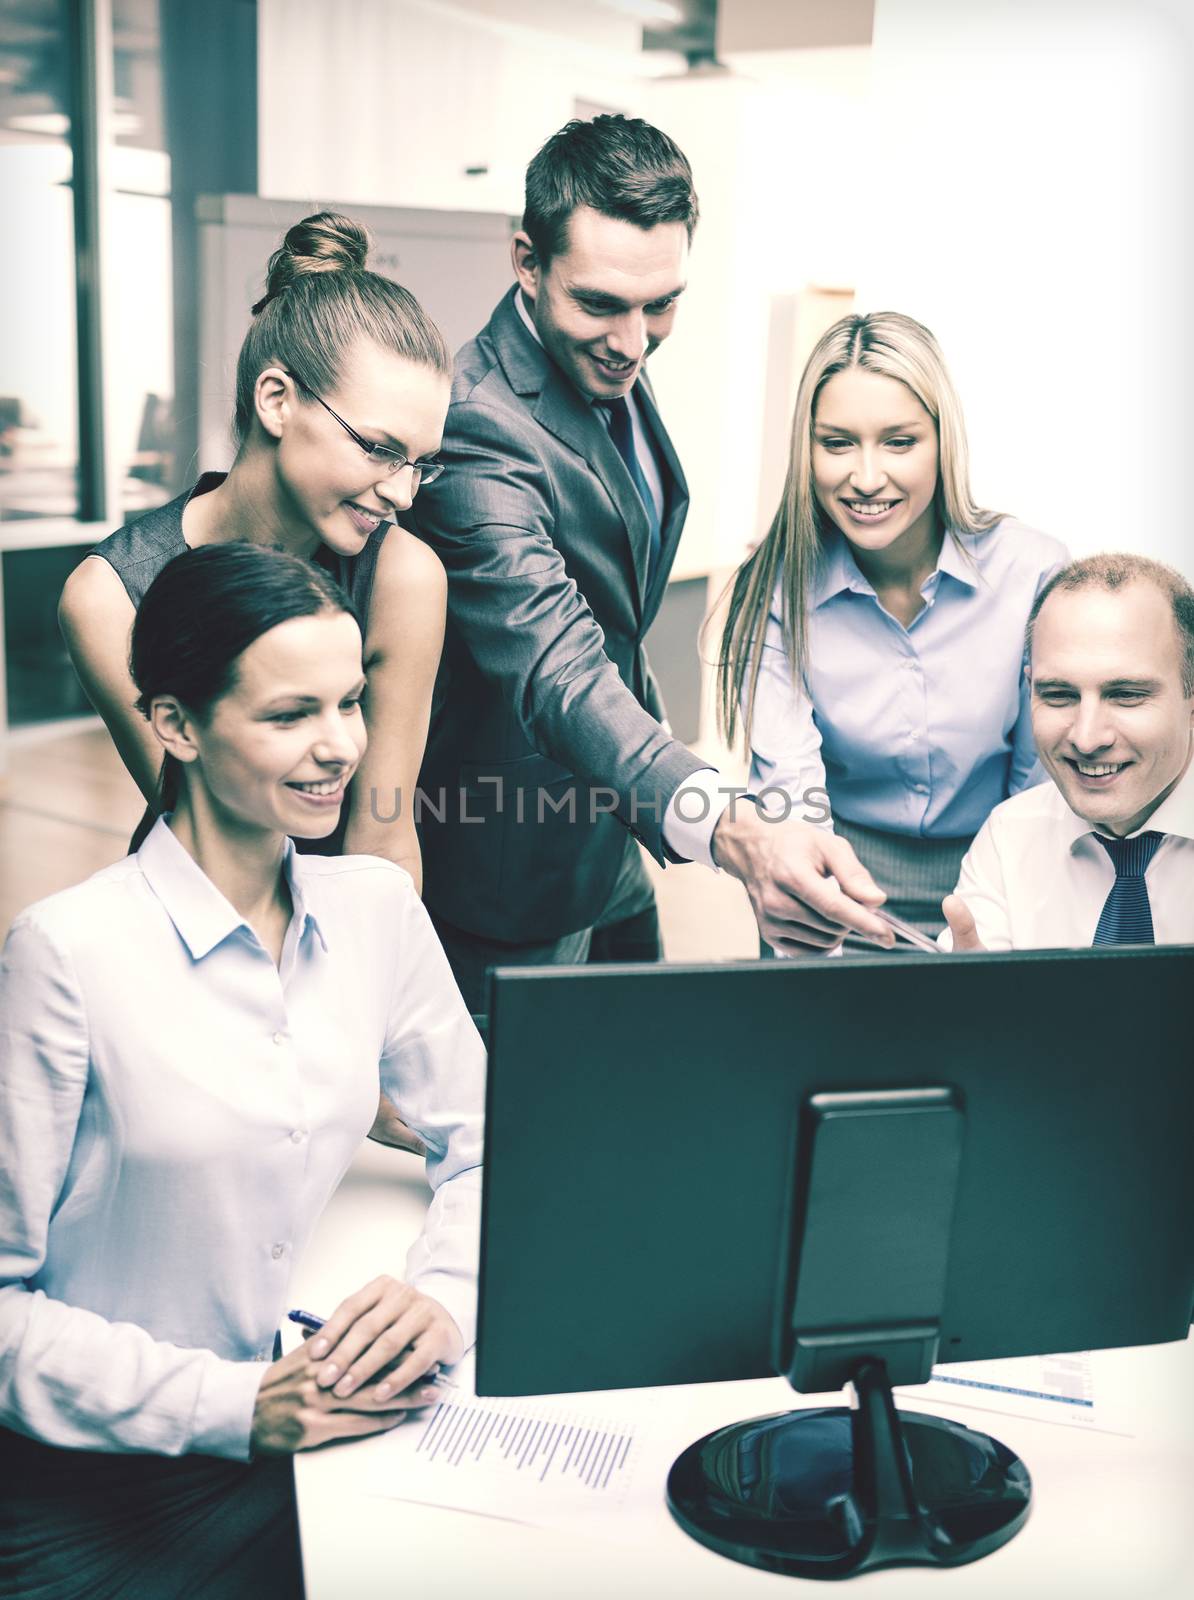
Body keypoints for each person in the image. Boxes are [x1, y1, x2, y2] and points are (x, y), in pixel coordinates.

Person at [0, 544, 484, 1598]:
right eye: (289, 713)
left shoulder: (374, 913)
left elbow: (496, 1143)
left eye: (351, 701)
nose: (339, 746)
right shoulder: (64, 955)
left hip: (334, 1448)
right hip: (105, 1487)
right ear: (174, 723)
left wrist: (443, 1297)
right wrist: (234, 1405)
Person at [409, 114, 896, 1012]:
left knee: (629, 1089)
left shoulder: (609, 352)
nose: (633, 341)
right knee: (505, 1136)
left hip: (613, 835)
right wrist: (738, 830)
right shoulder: (475, 420)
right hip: (508, 860)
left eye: (660, 304)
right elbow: (556, 667)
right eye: (599, 303)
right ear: (526, 260)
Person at [60, 210, 449, 1147]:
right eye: (380, 448)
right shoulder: (109, 599)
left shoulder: (402, 574)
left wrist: (375, 1043)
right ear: (278, 400)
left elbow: (383, 840)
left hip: (346, 967)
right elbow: (200, 828)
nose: (400, 489)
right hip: (193, 954)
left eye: (421, 463)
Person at [719, 311, 1068, 944]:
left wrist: (996, 922)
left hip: (1001, 881)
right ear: (808, 449)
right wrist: (827, 913)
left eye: (900, 442)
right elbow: (791, 792)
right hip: (833, 887)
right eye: (837, 443)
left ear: (943, 443)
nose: (867, 477)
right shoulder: (774, 586)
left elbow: (1036, 795)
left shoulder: (1034, 572)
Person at [941, 553, 1194, 951]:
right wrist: (971, 1002)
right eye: (1058, 695)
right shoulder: (1009, 837)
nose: (1087, 738)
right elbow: (977, 1001)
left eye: (1126, 695)